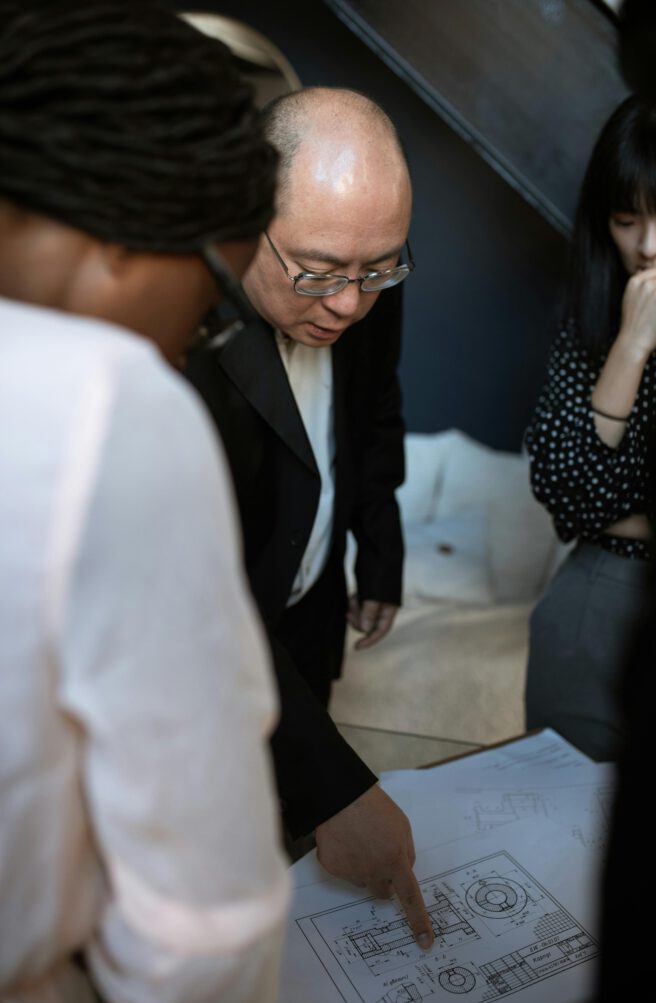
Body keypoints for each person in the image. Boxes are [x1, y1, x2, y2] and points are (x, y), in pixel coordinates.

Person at [0, 2, 289, 1003]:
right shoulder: (103, 400)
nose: (194, 342)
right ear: (128, 234)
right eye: (213, 303)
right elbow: (197, 932)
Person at [185, 86, 435, 948]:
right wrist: (333, 786)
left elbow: (372, 413)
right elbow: (194, 604)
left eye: (378, 270)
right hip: (208, 652)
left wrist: (381, 546)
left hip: (309, 613)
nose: (348, 305)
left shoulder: (362, 269)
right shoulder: (176, 335)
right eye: (318, 271)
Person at [524, 93, 656, 761]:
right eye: (625, 221)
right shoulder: (588, 328)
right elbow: (569, 495)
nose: (649, 248)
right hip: (600, 598)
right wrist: (630, 346)